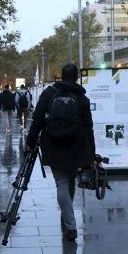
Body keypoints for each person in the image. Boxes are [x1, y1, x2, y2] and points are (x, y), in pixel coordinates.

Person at [26, 64, 95, 241]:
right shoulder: (82, 98)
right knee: (69, 179)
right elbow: (88, 127)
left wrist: (31, 139)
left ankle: (69, 224)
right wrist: (91, 152)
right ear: (76, 77)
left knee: (62, 182)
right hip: (76, 144)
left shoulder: (49, 93)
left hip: (53, 143)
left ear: (61, 76)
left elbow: (38, 118)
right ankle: (68, 221)